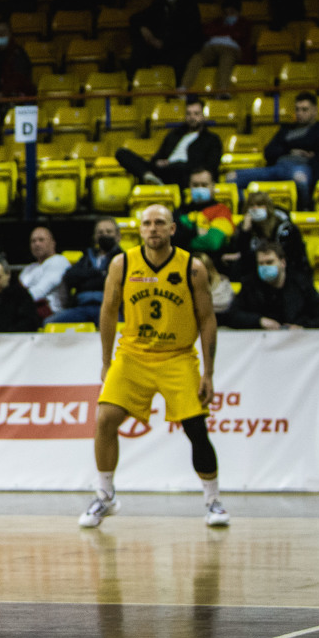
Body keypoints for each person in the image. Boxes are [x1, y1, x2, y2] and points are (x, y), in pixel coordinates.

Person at [80, 205, 230, 530]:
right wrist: (106, 361)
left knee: (196, 428)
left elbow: (207, 319)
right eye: (147, 223)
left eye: (160, 223)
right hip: (133, 355)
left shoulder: (192, 268)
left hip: (177, 356)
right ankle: (105, 496)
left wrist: (208, 373)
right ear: (140, 229)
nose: (153, 228)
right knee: (105, 418)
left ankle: (213, 500)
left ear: (172, 229)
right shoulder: (122, 264)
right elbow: (108, 312)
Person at [225, 92, 319, 210]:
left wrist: (285, 146)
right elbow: (268, 152)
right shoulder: (286, 129)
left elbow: (312, 142)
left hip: (300, 167)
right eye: (297, 109)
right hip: (277, 167)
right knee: (232, 177)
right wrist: (291, 150)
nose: (300, 113)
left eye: (304, 109)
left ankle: (304, 211)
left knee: (300, 179)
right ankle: (245, 211)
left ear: (315, 111)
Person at [114, 97, 223, 187]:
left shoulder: (212, 139)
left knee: (179, 167)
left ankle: (157, 181)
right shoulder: (174, 135)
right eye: (189, 114)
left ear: (203, 116)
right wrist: (158, 162)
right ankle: (148, 176)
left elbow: (210, 166)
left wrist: (176, 164)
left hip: (186, 174)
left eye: (196, 114)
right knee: (122, 153)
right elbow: (157, 157)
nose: (192, 117)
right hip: (165, 170)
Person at [221, 244, 319, 330]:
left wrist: (303, 327)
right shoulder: (250, 284)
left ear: (283, 263)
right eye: (261, 263)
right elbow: (233, 315)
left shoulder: (301, 283)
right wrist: (259, 321)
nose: (265, 267)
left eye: (269, 262)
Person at [218, 189, 309, 281]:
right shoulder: (245, 226)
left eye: (259, 205)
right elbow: (240, 252)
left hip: (285, 271)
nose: (255, 209)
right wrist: (244, 232)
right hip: (254, 270)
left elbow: (288, 255)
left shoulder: (283, 227)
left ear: (268, 207)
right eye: (251, 206)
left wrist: (244, 255)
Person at [128, 0, 203, 82]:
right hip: (160, 45)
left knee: (181, 56)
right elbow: (136, 18)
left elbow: (189, 32)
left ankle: (179, 88)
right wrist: (143, 29)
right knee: (139, 47)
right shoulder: (159, 2)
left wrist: (164, 43)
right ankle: (133, 83)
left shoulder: (189, 4)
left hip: (181, 46)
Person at [49, 219, 122, 325]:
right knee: (49, 323)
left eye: (109, 232)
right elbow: (70, 276)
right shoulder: (87, 256)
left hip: (109, 308)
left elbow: (116, 279)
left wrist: (86, 279)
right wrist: (99, 274)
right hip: (82, 307)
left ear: (118, 236)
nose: (104, 235)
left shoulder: (122, 258)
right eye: (100, 232)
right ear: (95, 237)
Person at [179, 0, 254, 97]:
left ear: (239, 12)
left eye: (232, 12)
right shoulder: (217, 22)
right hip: (211, 48)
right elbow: (207, 31)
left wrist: (225, 32)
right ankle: (184, 87)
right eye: (226, 13)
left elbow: (240, 35)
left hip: (230, 49)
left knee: (227, 59)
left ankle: (223, 90)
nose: (229, 15)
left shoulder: (244, 23)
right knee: (197, 58)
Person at [173, 169, 236, 257]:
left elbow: (212, 243)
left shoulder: (222, 211)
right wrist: (195, 232)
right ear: (189, 186)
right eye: (195, 185)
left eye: (204, 185)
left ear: (213, 186)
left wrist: (183, 240)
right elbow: (169, 238)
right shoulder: (180, 211)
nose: (200, 188)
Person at [19, 226, 71, 317]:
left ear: (52, 243)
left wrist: (16, 301)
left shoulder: (58, 261)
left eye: (41, 240)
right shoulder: (29, 268)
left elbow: (40, 291)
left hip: (52, 313)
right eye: (33, 241)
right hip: (27, 309)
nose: (37, 244)